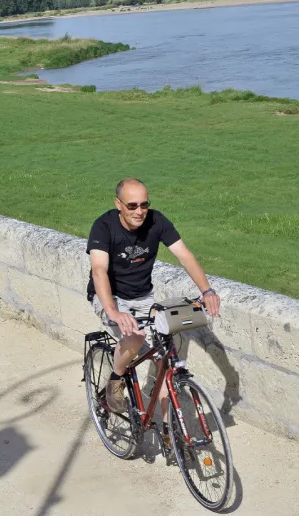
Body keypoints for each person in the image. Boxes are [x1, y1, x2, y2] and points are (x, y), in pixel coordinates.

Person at [87, 178, 221, 449]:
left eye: (144, 205)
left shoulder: (156, 222)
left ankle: (169, 428)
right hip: (110, 296)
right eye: (132, 205)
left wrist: (207, 291)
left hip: (143, 297)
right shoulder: (103, 226)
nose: (139, 211)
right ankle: (116, 379)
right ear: (118, 205)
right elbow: (99, 270)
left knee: (163, 361)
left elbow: (184, 255)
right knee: (134, 336)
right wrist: (113, 312)